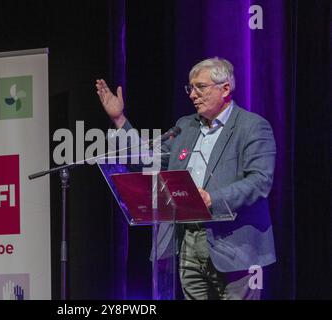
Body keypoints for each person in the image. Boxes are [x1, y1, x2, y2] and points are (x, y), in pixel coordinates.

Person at [95, 57, 276, 300]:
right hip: (187, 241)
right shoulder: (185, 127)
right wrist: (119, 120)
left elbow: (260, 181)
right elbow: (147, 162)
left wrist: (212, 198)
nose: (192, 94)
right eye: (190, 88)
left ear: (225, 89)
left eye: (200, 87)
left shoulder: (252, 126)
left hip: (235, 245)